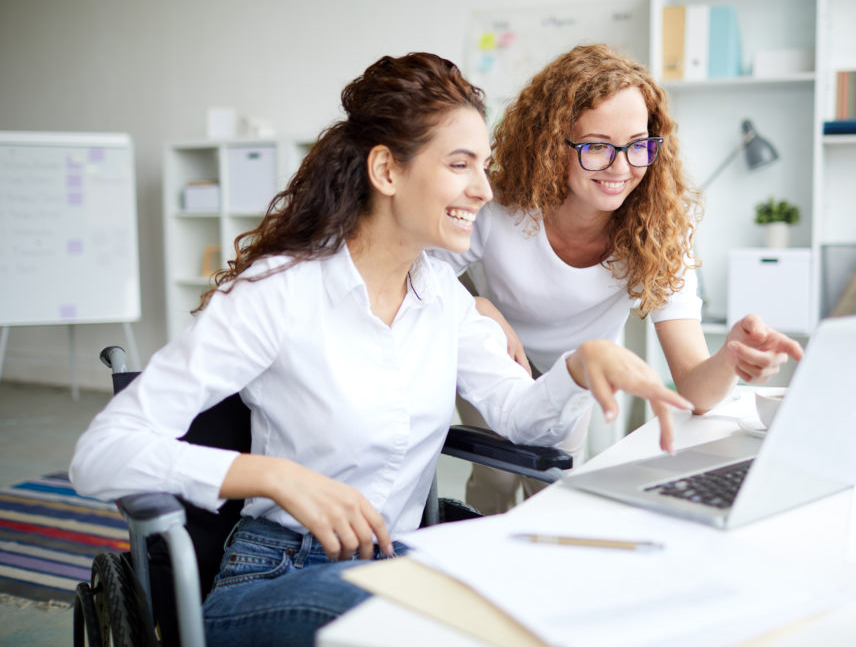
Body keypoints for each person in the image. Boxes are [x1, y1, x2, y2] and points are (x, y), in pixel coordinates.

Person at [69, 52, 690, 646]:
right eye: (460, 165)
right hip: (276, 574)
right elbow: (101, 454)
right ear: (388, 171)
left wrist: (579, 367)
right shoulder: (277, 292)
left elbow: (519, 418)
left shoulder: (443, 299)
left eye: (484, 165)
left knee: (571, 594)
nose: (483, 189)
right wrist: (274, 477)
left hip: (399, 562)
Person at [432, 44, 803, 514]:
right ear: (551, 143)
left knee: (556, 493)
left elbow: (693, 389)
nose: (622, 167)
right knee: (497, 481)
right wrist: (478, 307)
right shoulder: (499, 205)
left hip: (581, 376)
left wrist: (730, 358)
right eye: (597, 147)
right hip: (496, 363)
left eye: (637, 145)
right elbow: (420, 271)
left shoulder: (660, 232)